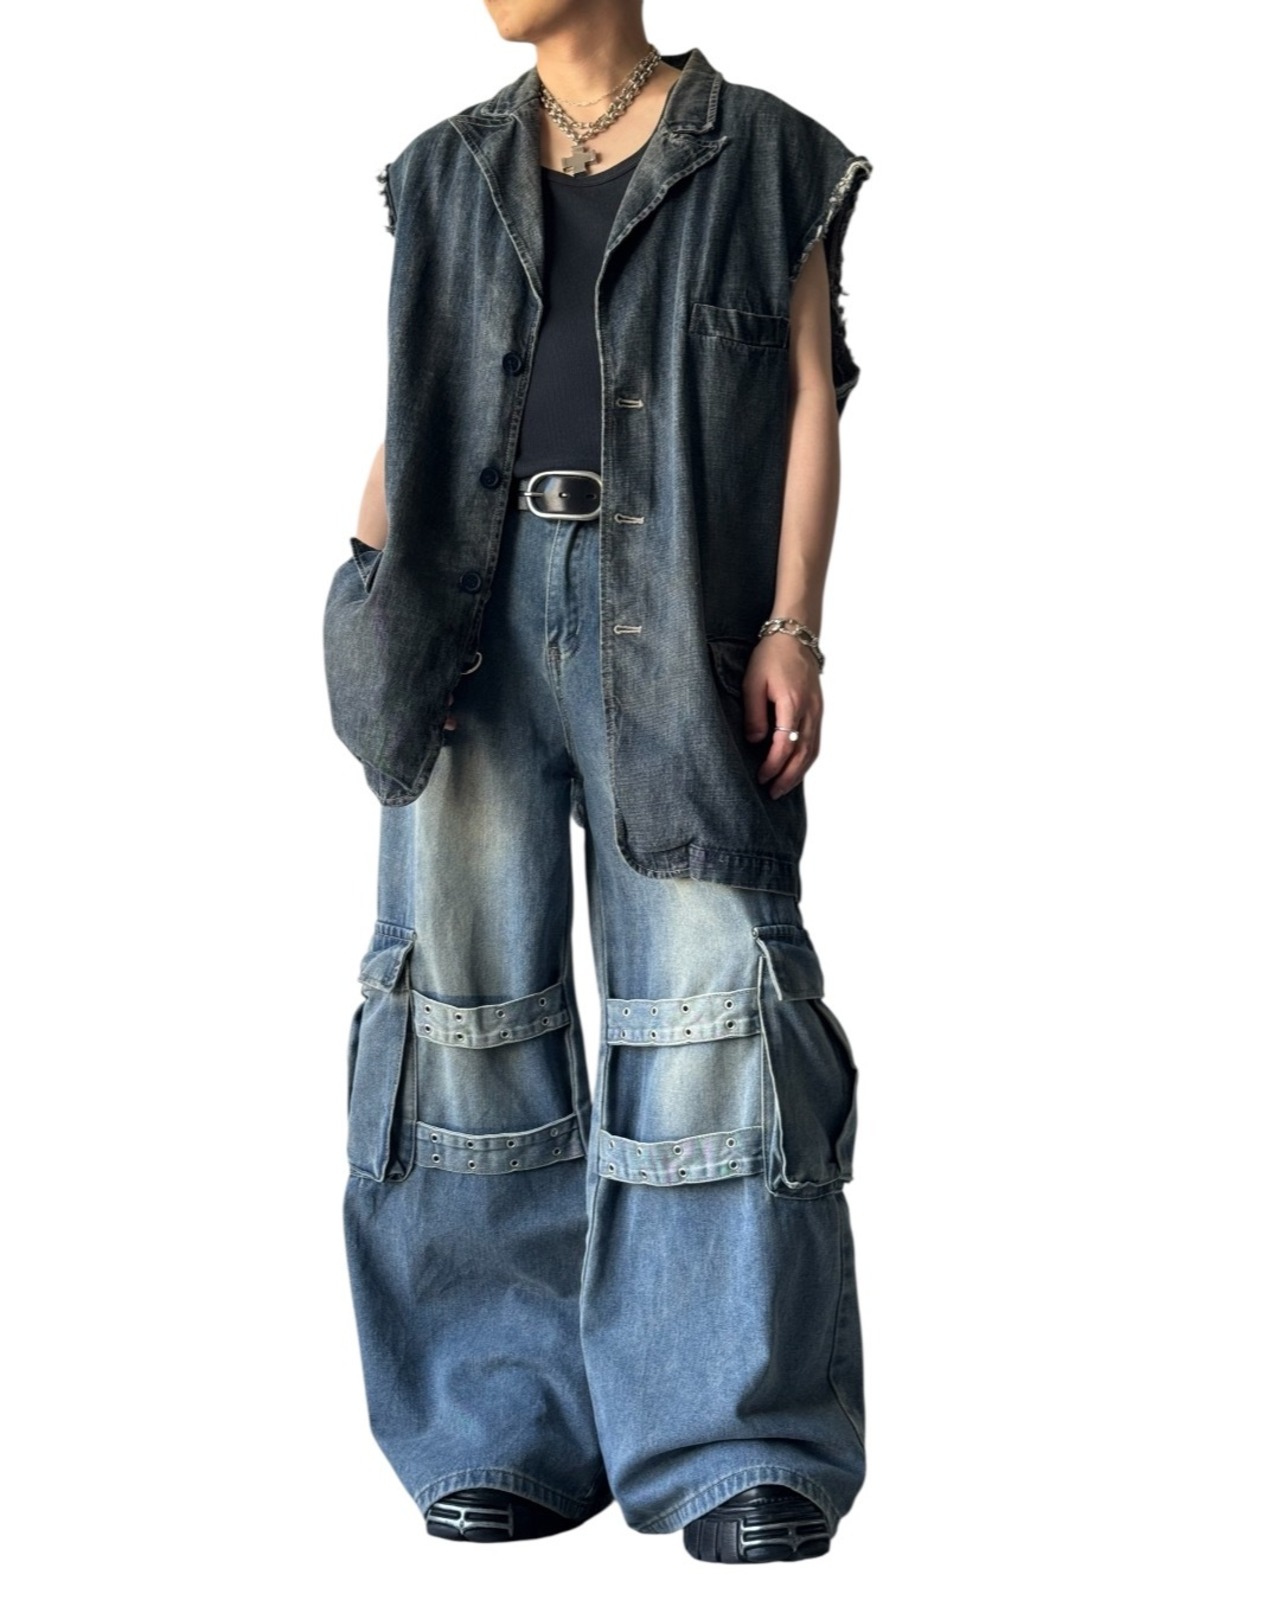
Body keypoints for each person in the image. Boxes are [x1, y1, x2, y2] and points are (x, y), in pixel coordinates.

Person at [325, 0, 873, 1566]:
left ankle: (737, 1445)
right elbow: (416, 409)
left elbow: (810, 398)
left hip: (678, 618)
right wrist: (360, 591)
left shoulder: (770, 157)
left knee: (713, 1009)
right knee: (462, 1008)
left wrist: (793, 626)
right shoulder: (442, 169)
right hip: (461, 615)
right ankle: (497, 1426)